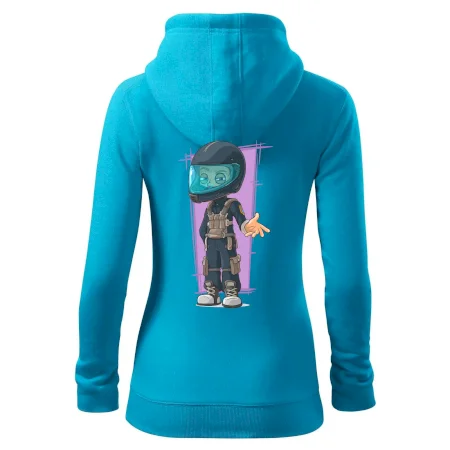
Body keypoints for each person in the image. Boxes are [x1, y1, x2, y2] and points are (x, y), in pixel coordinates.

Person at [189, 141, 270, 307]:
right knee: (210, 266)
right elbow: (203, 228)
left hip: (226, 241)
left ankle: (231, 291)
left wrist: (247, 226)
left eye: (219, 177)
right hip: (211, 241)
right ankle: (212, 291)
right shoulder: (210, 207)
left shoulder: (232, 204)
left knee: (229, 265)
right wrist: (205, 238)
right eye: (204, 177)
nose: (210, 183)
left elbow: (241, 220)